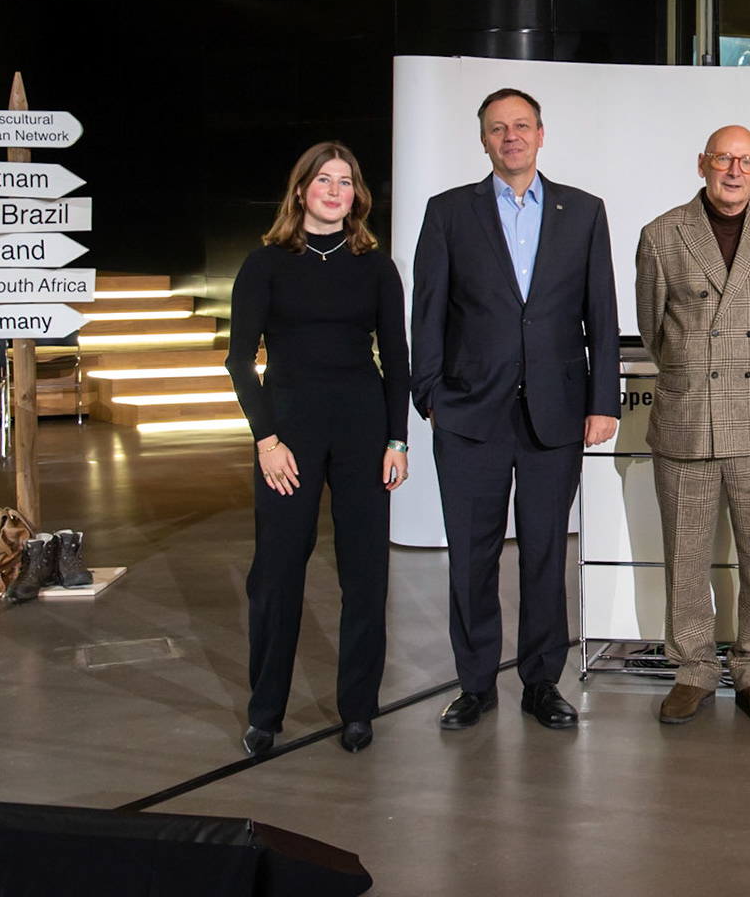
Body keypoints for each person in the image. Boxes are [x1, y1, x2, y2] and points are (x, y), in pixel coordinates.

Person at [410, 87, 619, 732]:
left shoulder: (583, 211)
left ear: (541, 134)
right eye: (498, 128)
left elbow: (601, 314)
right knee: (472, 555)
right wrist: (429, 395)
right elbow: (428, 311)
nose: (511, 137)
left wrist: (603, 401)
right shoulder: (448, 212)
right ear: (483, 140)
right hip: (469, 413)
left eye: (521, 125)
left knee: (545, 552)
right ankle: (475, 684)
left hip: (556, 412)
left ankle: (541, 681)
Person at [226, 141, 410, 757]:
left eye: (346, 182)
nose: (335, 191)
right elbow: (239, 361)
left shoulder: (376, 267)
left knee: (365, 573)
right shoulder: (265, 264)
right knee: (276, 574)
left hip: (363, 428)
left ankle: (358, 709)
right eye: (324, 180)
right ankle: (264, 713)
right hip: (289, 433)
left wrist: (398, 438)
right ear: (302, 189)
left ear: (357, 195)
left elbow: (398, 360)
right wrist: (266, 440)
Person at [634, 126, 750, 727]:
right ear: (702, 163)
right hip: (688, 416)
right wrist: (694, 372)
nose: (734, 170)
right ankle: (693, 668)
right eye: (724, 159)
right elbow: (654, 330)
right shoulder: (662, 234)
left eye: (747, 161)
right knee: (684, 556)